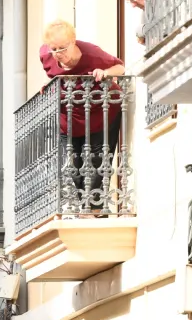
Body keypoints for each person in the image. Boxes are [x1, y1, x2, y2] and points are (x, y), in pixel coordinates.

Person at [40, 19, 127, 202]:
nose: (58, 54)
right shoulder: (46, 55)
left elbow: (120, 67)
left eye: (62, 48)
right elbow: (58, 76)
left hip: (101, 111)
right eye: (53, 49)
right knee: (71, 164)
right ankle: (84, 205)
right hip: (70, 116)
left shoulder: (91, 53)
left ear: (73, 41)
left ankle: (94, 208)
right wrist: (49, 86)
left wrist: (105, 73)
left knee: (97, 161)